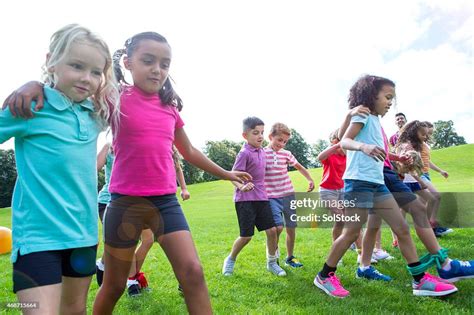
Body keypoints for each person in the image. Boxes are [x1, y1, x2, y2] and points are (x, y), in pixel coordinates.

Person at [4, 31, 250, 315]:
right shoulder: (112, 97)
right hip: (124, 205)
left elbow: (189, 151)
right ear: (128, 62)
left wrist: (227, 174)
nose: (157, 69)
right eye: (148, 61)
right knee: (115, 285)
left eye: (165, 64)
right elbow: (71, 86)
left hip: (166, 204)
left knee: (193, 272)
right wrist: (34, 83)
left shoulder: (170, 108)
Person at [0, 24, 119, 314]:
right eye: (77, 66)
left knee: (75, 310)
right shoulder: (29, 106)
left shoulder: (94, 114)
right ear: (52, 61)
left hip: (84, 237)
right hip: (37, 239)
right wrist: (34, 83)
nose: (86, 78)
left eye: (95, 71)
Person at [313, 75, 457, 298]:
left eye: (392, 98)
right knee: (351, 233)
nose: (391, 102)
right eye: (387, 97)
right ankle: (324, 276)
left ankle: (420, 280)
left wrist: (397, 159)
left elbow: (375, 149)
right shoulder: (365, 116)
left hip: (378, 184)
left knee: (402, 229)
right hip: (358, 182)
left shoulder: (375, 121)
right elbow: (344, 141)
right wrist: (363, 147)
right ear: (372, 95)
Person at [222, 117, 286, 277]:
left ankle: (272, 263)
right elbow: (232, 176)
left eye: (262, 133)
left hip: (262, 198)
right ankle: (230, 259)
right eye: (255, 133)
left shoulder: (263, 152)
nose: (260, 136)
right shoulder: (243, 154)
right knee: (246, 236)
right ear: (245, 135)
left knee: (272, 231)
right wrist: (242, 186)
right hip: (245, 200)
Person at [264, 122, 315, 268]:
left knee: (291, 228)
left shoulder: (286, 154)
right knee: (277, 228)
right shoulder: (262, 153)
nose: (282, 144)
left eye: (285, 141)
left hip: (288, 195)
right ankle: (273, 254)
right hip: (271, 197)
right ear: (270, 137)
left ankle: (290, 257)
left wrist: (310, 179)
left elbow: (299, 167)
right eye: (279, 140)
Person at [420, 121, 452, 236]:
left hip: (426, 174)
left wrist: (440, 171)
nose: (429, 135)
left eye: (431, 133)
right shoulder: (417, 143)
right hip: (419, 174)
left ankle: (429, 229)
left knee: (423, 205)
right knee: (436, 196)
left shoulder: (425, 144)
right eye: (428, 132)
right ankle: (432, 224)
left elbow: (427, 161)